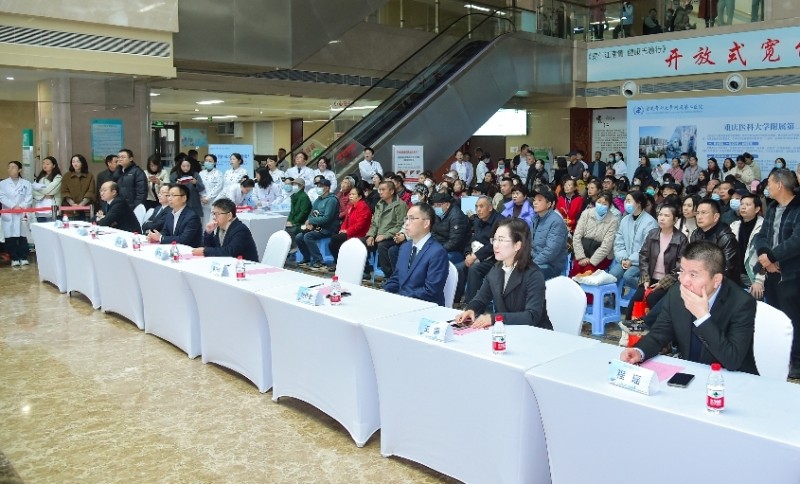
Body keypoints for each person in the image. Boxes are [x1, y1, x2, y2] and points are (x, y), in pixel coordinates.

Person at [620, 241, 758, 374]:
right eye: (682, 271)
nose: (684, 281)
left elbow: (732, 360)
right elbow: (660, 333)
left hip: (729, 379)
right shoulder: (677, 292)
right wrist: (639, 351)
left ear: (716, 280)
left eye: (693, 274)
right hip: (691, 371)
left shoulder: (742, 303)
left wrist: (703, 317)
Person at [455, 217, 553, 329]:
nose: (495, 245)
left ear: (517, 245)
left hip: (535, 334)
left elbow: (532, 316)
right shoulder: (496, 269)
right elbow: (481, 298)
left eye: (501, 240)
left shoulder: (533, 274)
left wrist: (495, 318)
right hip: (507, 331)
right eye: (494, 239)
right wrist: (471, 309)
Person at [752, 169, 800, 378]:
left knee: (793, 319)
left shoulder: (797, 208)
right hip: (771, 272)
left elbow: (796, 241)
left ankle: (796, 361)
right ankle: (778, 358)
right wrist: (765, 256)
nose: (767, 187)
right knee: (776, 318)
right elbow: (761, 235)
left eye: (770, 183)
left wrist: (771, 256)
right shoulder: (772, 207)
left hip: (791, 274)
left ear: (779, 185)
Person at [628, 203, 688, 318]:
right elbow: (643, 256)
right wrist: (645, 278)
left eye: (666, 215)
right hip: (650, 278)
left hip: (668, 282)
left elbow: (681, 267)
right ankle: (629, 327)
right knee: (636, 299)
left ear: (675, 220)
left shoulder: (681, 239)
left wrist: (662, 283)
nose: (662, 218)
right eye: (660, 215)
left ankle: (651, 326)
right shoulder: (652, 234)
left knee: (652, 298)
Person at [383, 203, 449, 306]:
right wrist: (386, 292)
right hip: (403, 303)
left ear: (426, 223)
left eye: (412, 219)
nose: (406, 223)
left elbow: (431, 291)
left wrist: (400, 297)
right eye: (406, 218)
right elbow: (396, 277)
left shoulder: (437, 252)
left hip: (425, 307)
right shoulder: (405, 247)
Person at [455, 196, 504, 304]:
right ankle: (456, 301)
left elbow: (494, 244)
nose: (478, 210)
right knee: (459, 268)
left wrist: (475, 256)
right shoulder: (478, 221)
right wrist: (468, 254)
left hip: (494, 258)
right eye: (476, 207)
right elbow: (471, 240)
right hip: (475, 256)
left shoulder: (500, 221)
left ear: (490, 207)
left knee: (474, 269)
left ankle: (471, 304)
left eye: (481, 206)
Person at [611, 191, 658, 291]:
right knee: (612, 275)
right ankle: (613, 297)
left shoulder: (650, 222)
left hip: (642, 261)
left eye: (629, 201)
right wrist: (623, 258)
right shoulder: (625, 220)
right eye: (625, 201)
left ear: (638, 203)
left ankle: (645, 292)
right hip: (625, 259)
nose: (625, 203)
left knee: (628, 276)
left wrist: (631, 260)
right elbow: (619, 242)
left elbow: (648, 248)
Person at [362, 180, 407, 277]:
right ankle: (365, 270)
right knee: (361, 242)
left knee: (382, 246)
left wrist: (385, 236)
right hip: (378, 235)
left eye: (383, 190)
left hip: (392, 236)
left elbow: (400, 225)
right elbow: (374, 223)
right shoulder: (380, 204)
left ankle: (389, 275)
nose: (380, 192)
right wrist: (371, 235)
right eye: (379, 190)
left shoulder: (400, 205)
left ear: (391, 191)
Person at [191, 198, 259, 262]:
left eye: (217, 214)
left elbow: (229, 251)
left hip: (246, 267)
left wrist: (205, 251)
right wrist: (208, 233)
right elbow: (214, 248)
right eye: (213, 214)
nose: (214, 217)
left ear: (229, 216)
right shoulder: (220, 227)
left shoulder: (241, 230)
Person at [294, 179, 340, 270]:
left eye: (321, 186)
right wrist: (309, 223)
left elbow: (327, 218)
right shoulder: (318, 199)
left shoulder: (332, 200)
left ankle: (319, 261)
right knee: (299, 237)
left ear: (327, 188)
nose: (318, 188)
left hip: (328, 228)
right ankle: (307, 259)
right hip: (317, 227)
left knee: (308, 236)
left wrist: (312, 221)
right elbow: (311, 214)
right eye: (318, 186)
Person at [570, 191, 619, 277]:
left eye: (604, 204)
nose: (601, 205)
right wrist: (581, 257)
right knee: (576, 270)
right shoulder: (586, 213)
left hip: (601, 256)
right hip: (583, 251)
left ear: (609, 206)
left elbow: (606, 246)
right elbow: (577, 236)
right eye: (599, 202)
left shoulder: (613, 221)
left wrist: (591, 261)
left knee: (588, 271)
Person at [690, 199, 739, 282]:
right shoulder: (696, 234)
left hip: (721, 282)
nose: (699, 217)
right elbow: (689, 259)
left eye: (703, 213)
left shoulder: (726, 238)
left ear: (716, 217)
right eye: (697, 213)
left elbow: (727, 270)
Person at [328, 185, 371, 271]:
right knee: (332, 243)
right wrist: (342, 229)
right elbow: (346, 221)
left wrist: (347, 231)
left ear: (360, 197)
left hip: (360, 234)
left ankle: (344, 264)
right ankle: (339, 263)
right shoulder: (351, 206)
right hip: (350, 232)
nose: (350, 196)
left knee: (335, 239)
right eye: (350, 194)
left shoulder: (363, 207)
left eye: (353, 194)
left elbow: (360, 225)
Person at [146, 183, 203, 248]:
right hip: (173, 248)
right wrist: (156, 236)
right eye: (168, 195)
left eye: (173, 195)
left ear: (184, 198)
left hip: (189, 250)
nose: (169, 199)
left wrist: (161, 238)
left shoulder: (192, 217)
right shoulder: (170, 214)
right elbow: (165, 231)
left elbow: (184, 239)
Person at [530, 187, 569, 280]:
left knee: (526, 274)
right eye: (534, 200)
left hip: (551, 265)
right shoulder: (535, 219)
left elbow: (551, 251)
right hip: (535, 261)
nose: (535, 203)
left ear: (549, 204)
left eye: (539, 200)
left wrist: (532, 263)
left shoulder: (556, 222)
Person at [729, 194, 764, 295]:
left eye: (748, 205)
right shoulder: (734, 225)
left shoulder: (763, 227)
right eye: (742, 204)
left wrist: (759, 280)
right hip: (736, 274)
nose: (743, 207)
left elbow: (765, 255)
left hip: (754, 275)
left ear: (757, 209)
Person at [0, 161, 32, 266]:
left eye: (13, 167)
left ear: (19, 170)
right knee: (10, 237)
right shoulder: (3, 184)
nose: (10, 169)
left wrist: (21, 207)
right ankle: (14, 258)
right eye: (9, 167)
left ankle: (23, 257)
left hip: (22, 213)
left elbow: (29, 197)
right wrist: (13, 206)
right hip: (9, 213)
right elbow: (2, 197)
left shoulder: (26, 183)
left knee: (23, 236)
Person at [430, 191, 470, 264]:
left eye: (438, 205)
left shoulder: (456, 217)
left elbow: (454, 242)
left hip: (456, 250)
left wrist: (439, 249)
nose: (436, 208)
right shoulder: (438, 214)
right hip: (440, 246)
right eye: (434, 205)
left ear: (447, 204)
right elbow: (433, 232)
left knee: (435, 260)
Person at [61, 154, 95, 220]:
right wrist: (72, 204)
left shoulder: (90, 176)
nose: (75, 164)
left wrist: (81, 204)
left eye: (78, 162)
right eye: (73, 162)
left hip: (86, 208)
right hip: (70, 208)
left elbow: (91, 191)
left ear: (82, 163)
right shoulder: (67, 176)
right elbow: (64, 191)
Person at [32, 156, 62, 222]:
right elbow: (32, 191)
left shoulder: (58, 177)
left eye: (48, 164)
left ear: (54, 166)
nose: (45, 165)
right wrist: (44, 195)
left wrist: (38, 189)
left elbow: (49, 190)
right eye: (43, 163)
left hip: (52, 209)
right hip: (40, 209)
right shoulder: (40, 177)